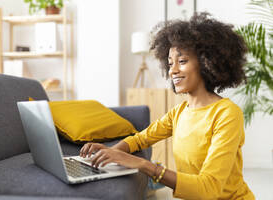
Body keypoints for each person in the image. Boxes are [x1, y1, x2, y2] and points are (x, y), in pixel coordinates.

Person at [79, 12, 255, 199]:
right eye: (170, 63)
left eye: (182, 61)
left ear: (206, 63)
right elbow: (140, 140)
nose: (173, 70)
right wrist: (111, 152)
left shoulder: (227, 114)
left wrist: (143, 165)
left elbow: (208, 188)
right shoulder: (178, 113)